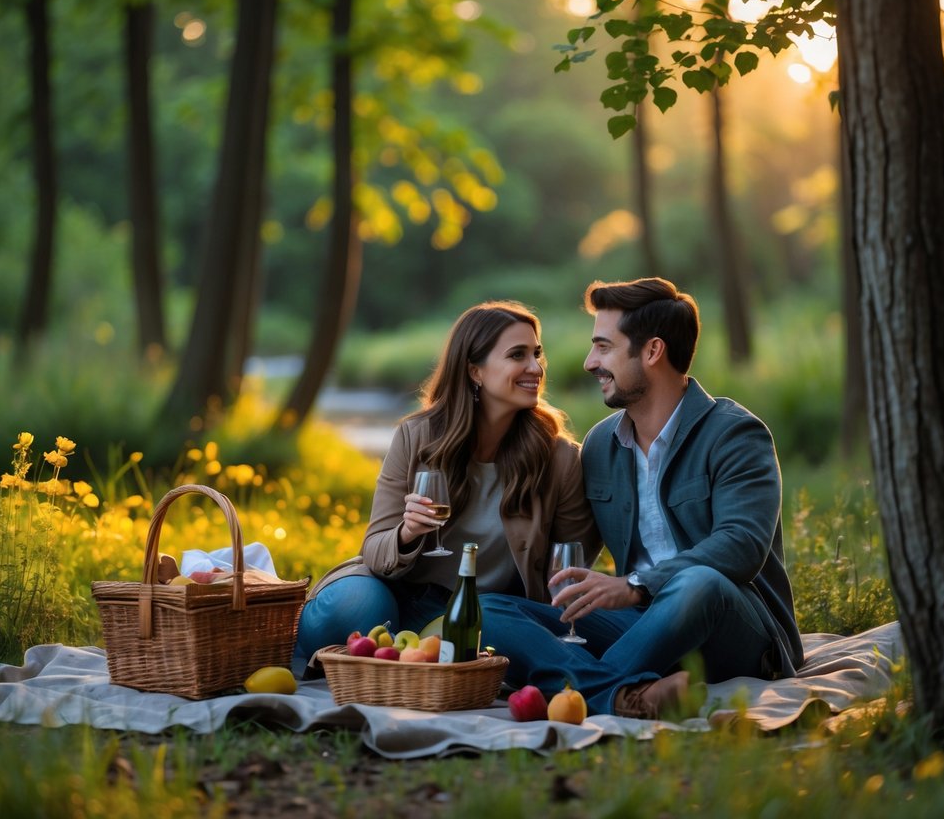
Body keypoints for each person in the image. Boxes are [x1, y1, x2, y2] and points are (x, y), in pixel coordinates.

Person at [480, 278, 803, 720]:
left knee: (698, 582)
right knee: (490, 608)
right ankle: (620, 695)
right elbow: (564, 546)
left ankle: (578, 691)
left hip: (736, 632)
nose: (590, 362)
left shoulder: (734, 434)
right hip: (641, 628)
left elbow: (741, 545)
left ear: (652, 352)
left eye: (604, 347)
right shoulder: (599, 446)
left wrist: (634, 586)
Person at [295, 301, 601, 659]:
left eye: (537, 354)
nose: (535, 368)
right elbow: (374, 551)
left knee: (506, 634)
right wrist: (407, 533)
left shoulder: (558, 457)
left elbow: (570, 562)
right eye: (518, 355)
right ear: (475, 371)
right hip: (397, 594)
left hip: (482, 611)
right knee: (354, 606)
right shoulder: (416, 437)